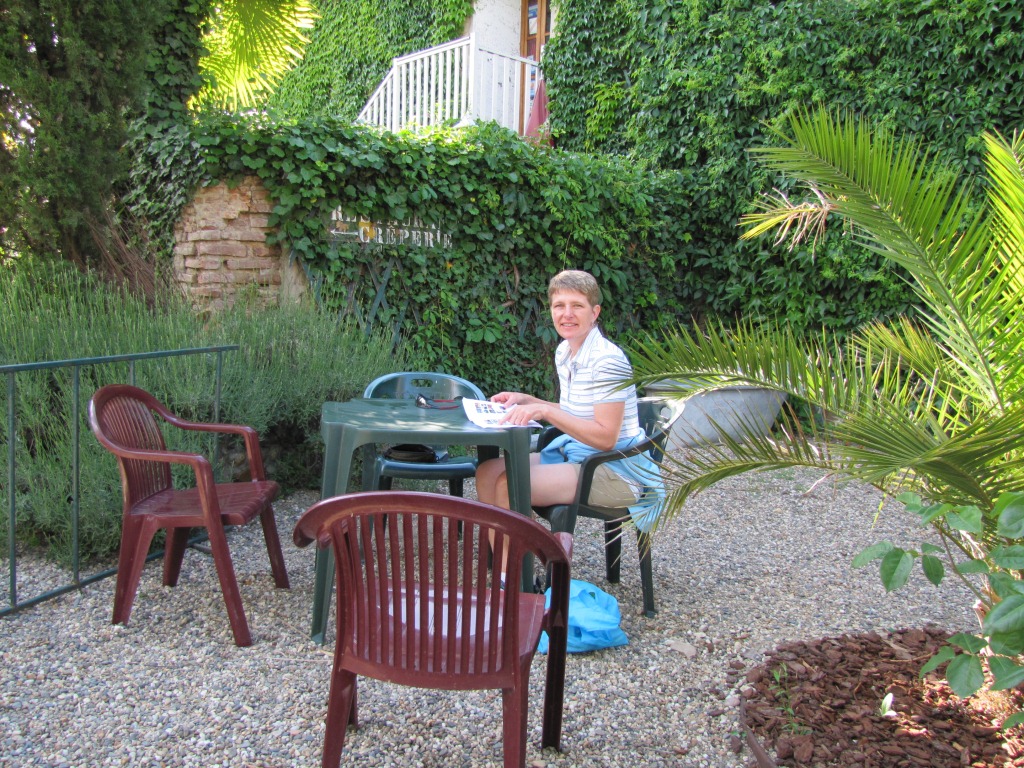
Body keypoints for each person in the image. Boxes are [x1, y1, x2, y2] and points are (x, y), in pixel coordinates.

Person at [475, 269, 663, 532]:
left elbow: (606, 438)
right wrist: (527, 401)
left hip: (615, 470)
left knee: (509, 485)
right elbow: (576, 411)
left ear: (594, 313)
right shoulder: (565, 351)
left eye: (577, 306)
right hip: (579, 454)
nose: (567, 314)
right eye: (559, 306)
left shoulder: (607, 361)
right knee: (486, 472)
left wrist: (545, 412)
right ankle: (507, 556)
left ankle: (520, 559)